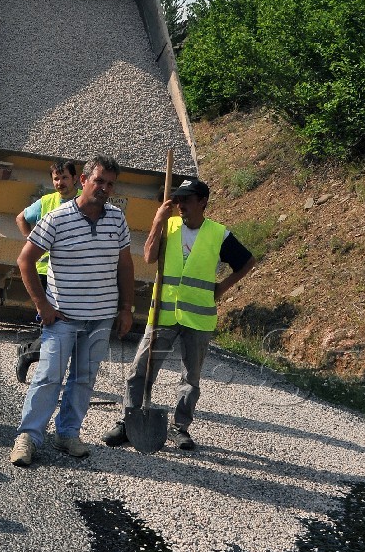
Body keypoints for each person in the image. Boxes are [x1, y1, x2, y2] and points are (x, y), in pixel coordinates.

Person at [103, 178, 255, 451]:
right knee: (140, 370)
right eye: (177, 199)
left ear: (202, 202)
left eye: (186, 199)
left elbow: (247, 262)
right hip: (163, 313)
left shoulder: (218, 234)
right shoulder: (169, 226)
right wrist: (157, 222)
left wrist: (221, 288)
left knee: (190, 378)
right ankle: (128, 421)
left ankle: (180, 427)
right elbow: (149, 257)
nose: (180, 204)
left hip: (198, 317)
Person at [9, 156, 134, 466]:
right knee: (49, 377)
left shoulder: (117, 219)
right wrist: (43, 306)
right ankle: (28, 437)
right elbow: (25, 260)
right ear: (84, 181)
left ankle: (67, 434)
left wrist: (126, 308)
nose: (104, 188)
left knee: (83, 379)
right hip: (63, 317)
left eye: (109, 183)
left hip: (101, 317)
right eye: (99, 181)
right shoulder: (58, 218)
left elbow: (126, 264)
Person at [12, 159, 80, 383]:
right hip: (44, 272)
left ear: (76, 179)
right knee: (54, 324)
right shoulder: (47, 202)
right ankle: (31, 356)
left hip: (72, 273)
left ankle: (31, 354)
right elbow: (21, 218)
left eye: (64, 178)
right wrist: (31, 241)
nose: (60, 182)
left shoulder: (84, 203)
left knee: (61, 326)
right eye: (56, 178)